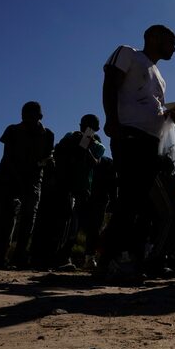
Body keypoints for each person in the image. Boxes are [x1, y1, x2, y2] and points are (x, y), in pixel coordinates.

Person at [101, 24, 175, 283]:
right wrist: (112, 120)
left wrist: (171, 115)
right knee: (130, 199)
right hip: (129, 136)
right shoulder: (128, 54)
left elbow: (153, 107)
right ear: (154, 37)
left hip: (150, 142)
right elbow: (111, 82)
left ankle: (132, 260)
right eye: (171, 42)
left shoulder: (160, 76)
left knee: (141, 203)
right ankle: (110, 260)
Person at [0, 101, 55, 268]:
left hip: (34, 179)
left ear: (40, 116)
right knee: (6, 217)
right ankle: (0, 255)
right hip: (9, 178)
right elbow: (7, 156)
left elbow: (48, 156)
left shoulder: (48, 134)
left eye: (31, 113)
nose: (26, 116)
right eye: (24, 113)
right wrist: (19, 177)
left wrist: (39, 167)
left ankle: (20, 255)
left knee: (28, 218)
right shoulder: (12, 130)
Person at [45, 114, 106, 270]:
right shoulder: (70, 137)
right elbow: (57, 153)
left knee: (81, 225)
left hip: (83, 189)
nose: (87, 129)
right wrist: (72, 143)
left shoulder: (97, 145)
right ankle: (58, 256)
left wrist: (87, 147)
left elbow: (96, 163)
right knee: (64, 222)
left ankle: (76, 257)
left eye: (91, 127)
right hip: (65, 185)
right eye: (85, 125)